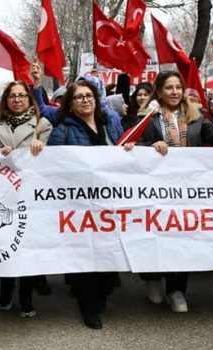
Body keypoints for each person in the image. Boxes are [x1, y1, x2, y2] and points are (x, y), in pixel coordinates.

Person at [46, 80, 135, 329]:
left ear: (96, 99)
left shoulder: (110, 124)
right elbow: (51, 164)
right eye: (78, 97)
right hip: (80, 204)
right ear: (71, 104)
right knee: (85, 256)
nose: (85, 100)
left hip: (109, 202)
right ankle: (89, 307)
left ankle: (102, 292)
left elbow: (120, 151)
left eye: (89, 96)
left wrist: (128, 149)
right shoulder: (62, 129)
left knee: (106, 251)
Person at [139, 71, 213, 313]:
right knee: (154, 234)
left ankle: (176, 289)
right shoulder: (146, 117)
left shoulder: (196, 117)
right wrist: (150, 147)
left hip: (187, 189)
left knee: (182, 236)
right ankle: (152, 279)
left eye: (178, 87)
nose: (175, 92)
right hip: (154, 189)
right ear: (159, 91)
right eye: (169, 87)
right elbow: (131, 145)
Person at [0, 81, 53, 318]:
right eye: (12, 96)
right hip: (1, 194)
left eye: (22, 95)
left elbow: (54, 158)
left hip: (31, 196)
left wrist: (41, 147)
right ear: (6, 100)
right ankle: (6, 288)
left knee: (28, 248)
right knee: (5, 244)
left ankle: (26, 297)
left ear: (29, 99)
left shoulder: (42, 125)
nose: (17, 99)